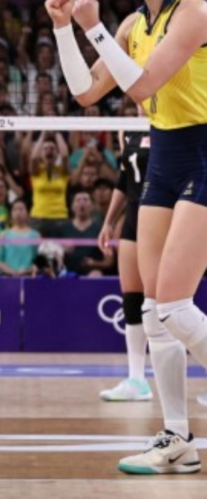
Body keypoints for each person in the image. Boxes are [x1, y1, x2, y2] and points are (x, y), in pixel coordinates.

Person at [49, 0, 207, 474]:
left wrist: (92, 29)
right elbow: (85, 92)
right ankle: (177, 439)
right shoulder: (131, 24)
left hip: (202, 150)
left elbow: (140, 87)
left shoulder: (193, 13)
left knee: (175, 303)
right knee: (161, 312)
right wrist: (66, 30)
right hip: (163, 155)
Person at [98, 129, 153, 402]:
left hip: (162, 213)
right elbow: (124, 179)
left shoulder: (172, 117)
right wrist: (109, 221)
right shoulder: (126, 128)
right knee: (132, 300)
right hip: (133, 215)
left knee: (168, 304)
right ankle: (137, 380)